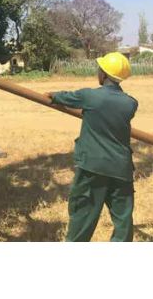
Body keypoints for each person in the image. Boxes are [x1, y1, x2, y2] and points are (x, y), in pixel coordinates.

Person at [46, 52, 138, 241]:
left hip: (93, 166)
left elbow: (61, 97)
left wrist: (51, 95)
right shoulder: (131, 103)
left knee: (83, 213)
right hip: (121, 167)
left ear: (103, 74)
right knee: (123, 218)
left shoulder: (90, 96)